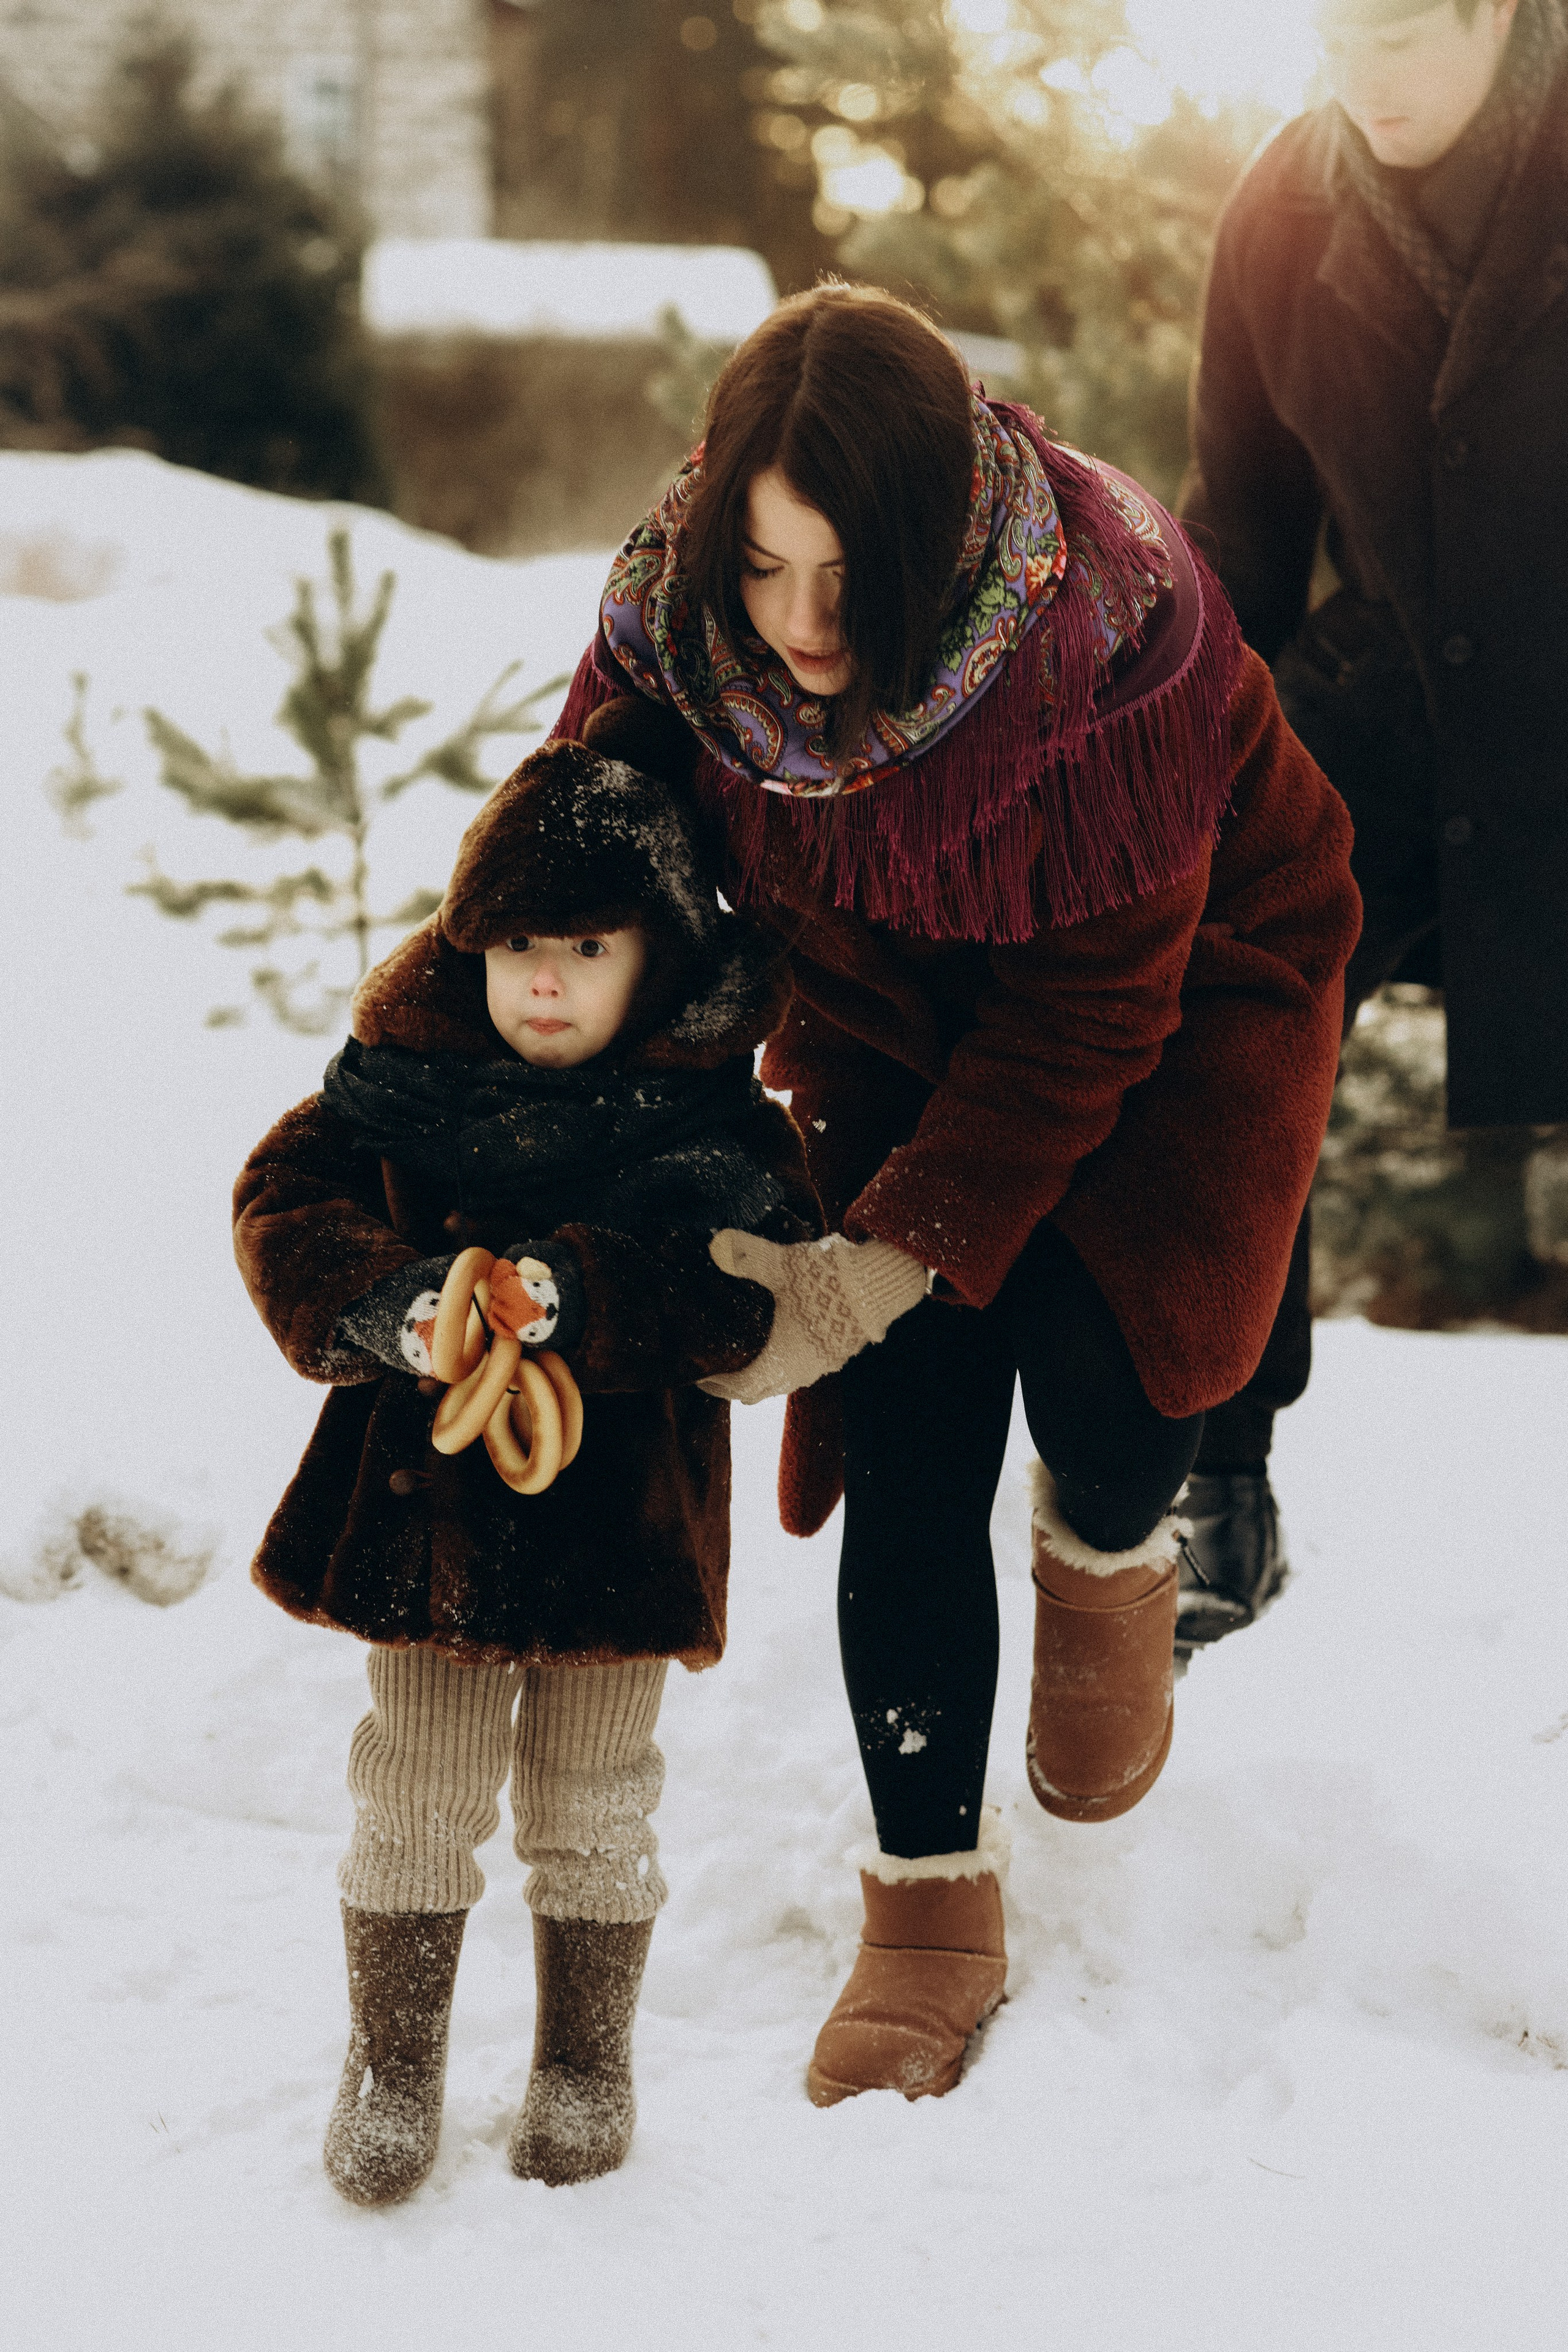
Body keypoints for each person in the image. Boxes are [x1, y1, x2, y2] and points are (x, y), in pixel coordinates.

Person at [555, 282, 1362, 2105]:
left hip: (1179, 981)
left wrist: (882, 1261)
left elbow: (1089, 1022)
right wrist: (496, 1087)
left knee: (1111, 1349)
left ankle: (1113, 1553)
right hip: (885, 997)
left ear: (934, 542)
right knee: (910, 1418)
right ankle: (925, 1905)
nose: (798, 630)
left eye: (847, 583)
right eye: (763, 569)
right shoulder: (680, 623)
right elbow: (576, 850)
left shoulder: (1112, 641)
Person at [232, 734, 832, 2202]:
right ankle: (391, 2064)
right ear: (467, 947)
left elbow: (748, 1290)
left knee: (593, 1801)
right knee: (417, 1791)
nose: (544, 979)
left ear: (658, 956)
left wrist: (578, 1293)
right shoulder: (398, 1089)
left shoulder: (713, 1130)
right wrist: (399, 1302)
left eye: (584, 944)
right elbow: (282, 1200)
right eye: (514, 945)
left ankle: (584, 2058)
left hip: (621, 1532)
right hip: (419, 1518)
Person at [1178, 0, 1568, 1644]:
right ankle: (1216, 1474)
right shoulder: (1283, 204)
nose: (1364, 78)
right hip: (1390, 709)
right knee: (1206, 987)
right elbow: (1243, 538)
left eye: (1401, 35)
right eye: (1338, 38)